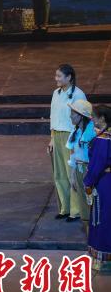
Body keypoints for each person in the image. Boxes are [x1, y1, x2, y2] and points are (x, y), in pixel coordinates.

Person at [48, 64, 86, 221]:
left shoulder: (78, 94)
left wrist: (78, 140)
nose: (56, 79)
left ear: (69, 77)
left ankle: (75, 210)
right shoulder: (56, 93)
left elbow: (83, 117)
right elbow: (53, 116)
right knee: (60, 174)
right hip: (57, 136)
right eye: (56, 75)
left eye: (59, 76)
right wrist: (52, 138)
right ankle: (65, 208)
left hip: (71, 137)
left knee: (72, 173)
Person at [84, 105, 111, 273]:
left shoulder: (103, 140)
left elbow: (96, 166)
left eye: (94, 116)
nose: (92, 119)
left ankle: (101, 258)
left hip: (105, 183)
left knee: (102, 219)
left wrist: (88, 182)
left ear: (102, 118)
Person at [66, 99, 95, 223]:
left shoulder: (92, 133)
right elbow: (74, 155)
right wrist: (73, 175)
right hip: (79, 169)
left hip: (89, 170)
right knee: (83, 203)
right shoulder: (76, 132)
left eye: (73, 113)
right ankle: (87, 227)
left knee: (92, 201)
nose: (70, 116)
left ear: (81, 116)